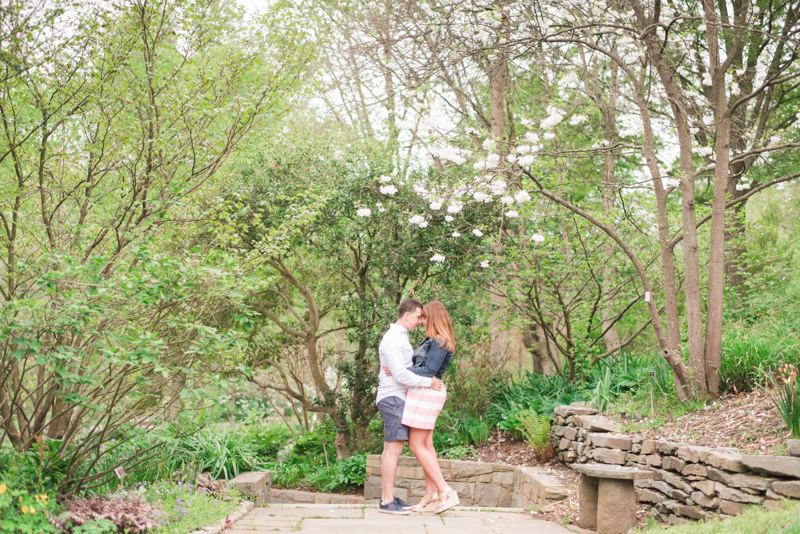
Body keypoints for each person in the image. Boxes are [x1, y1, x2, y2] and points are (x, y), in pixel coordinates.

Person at [383, 301, 459, 514]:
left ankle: (445, 491)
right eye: (420, 317)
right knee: (427, 445)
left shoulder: (439, 340)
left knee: (416, 446)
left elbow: (429, 370)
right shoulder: (434, 340)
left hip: (427, 393)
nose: (421, 321)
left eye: (424, 317)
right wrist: (403, 370)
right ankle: (431, 494)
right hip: (426, 392)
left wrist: (401, 371)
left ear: (433, 317)